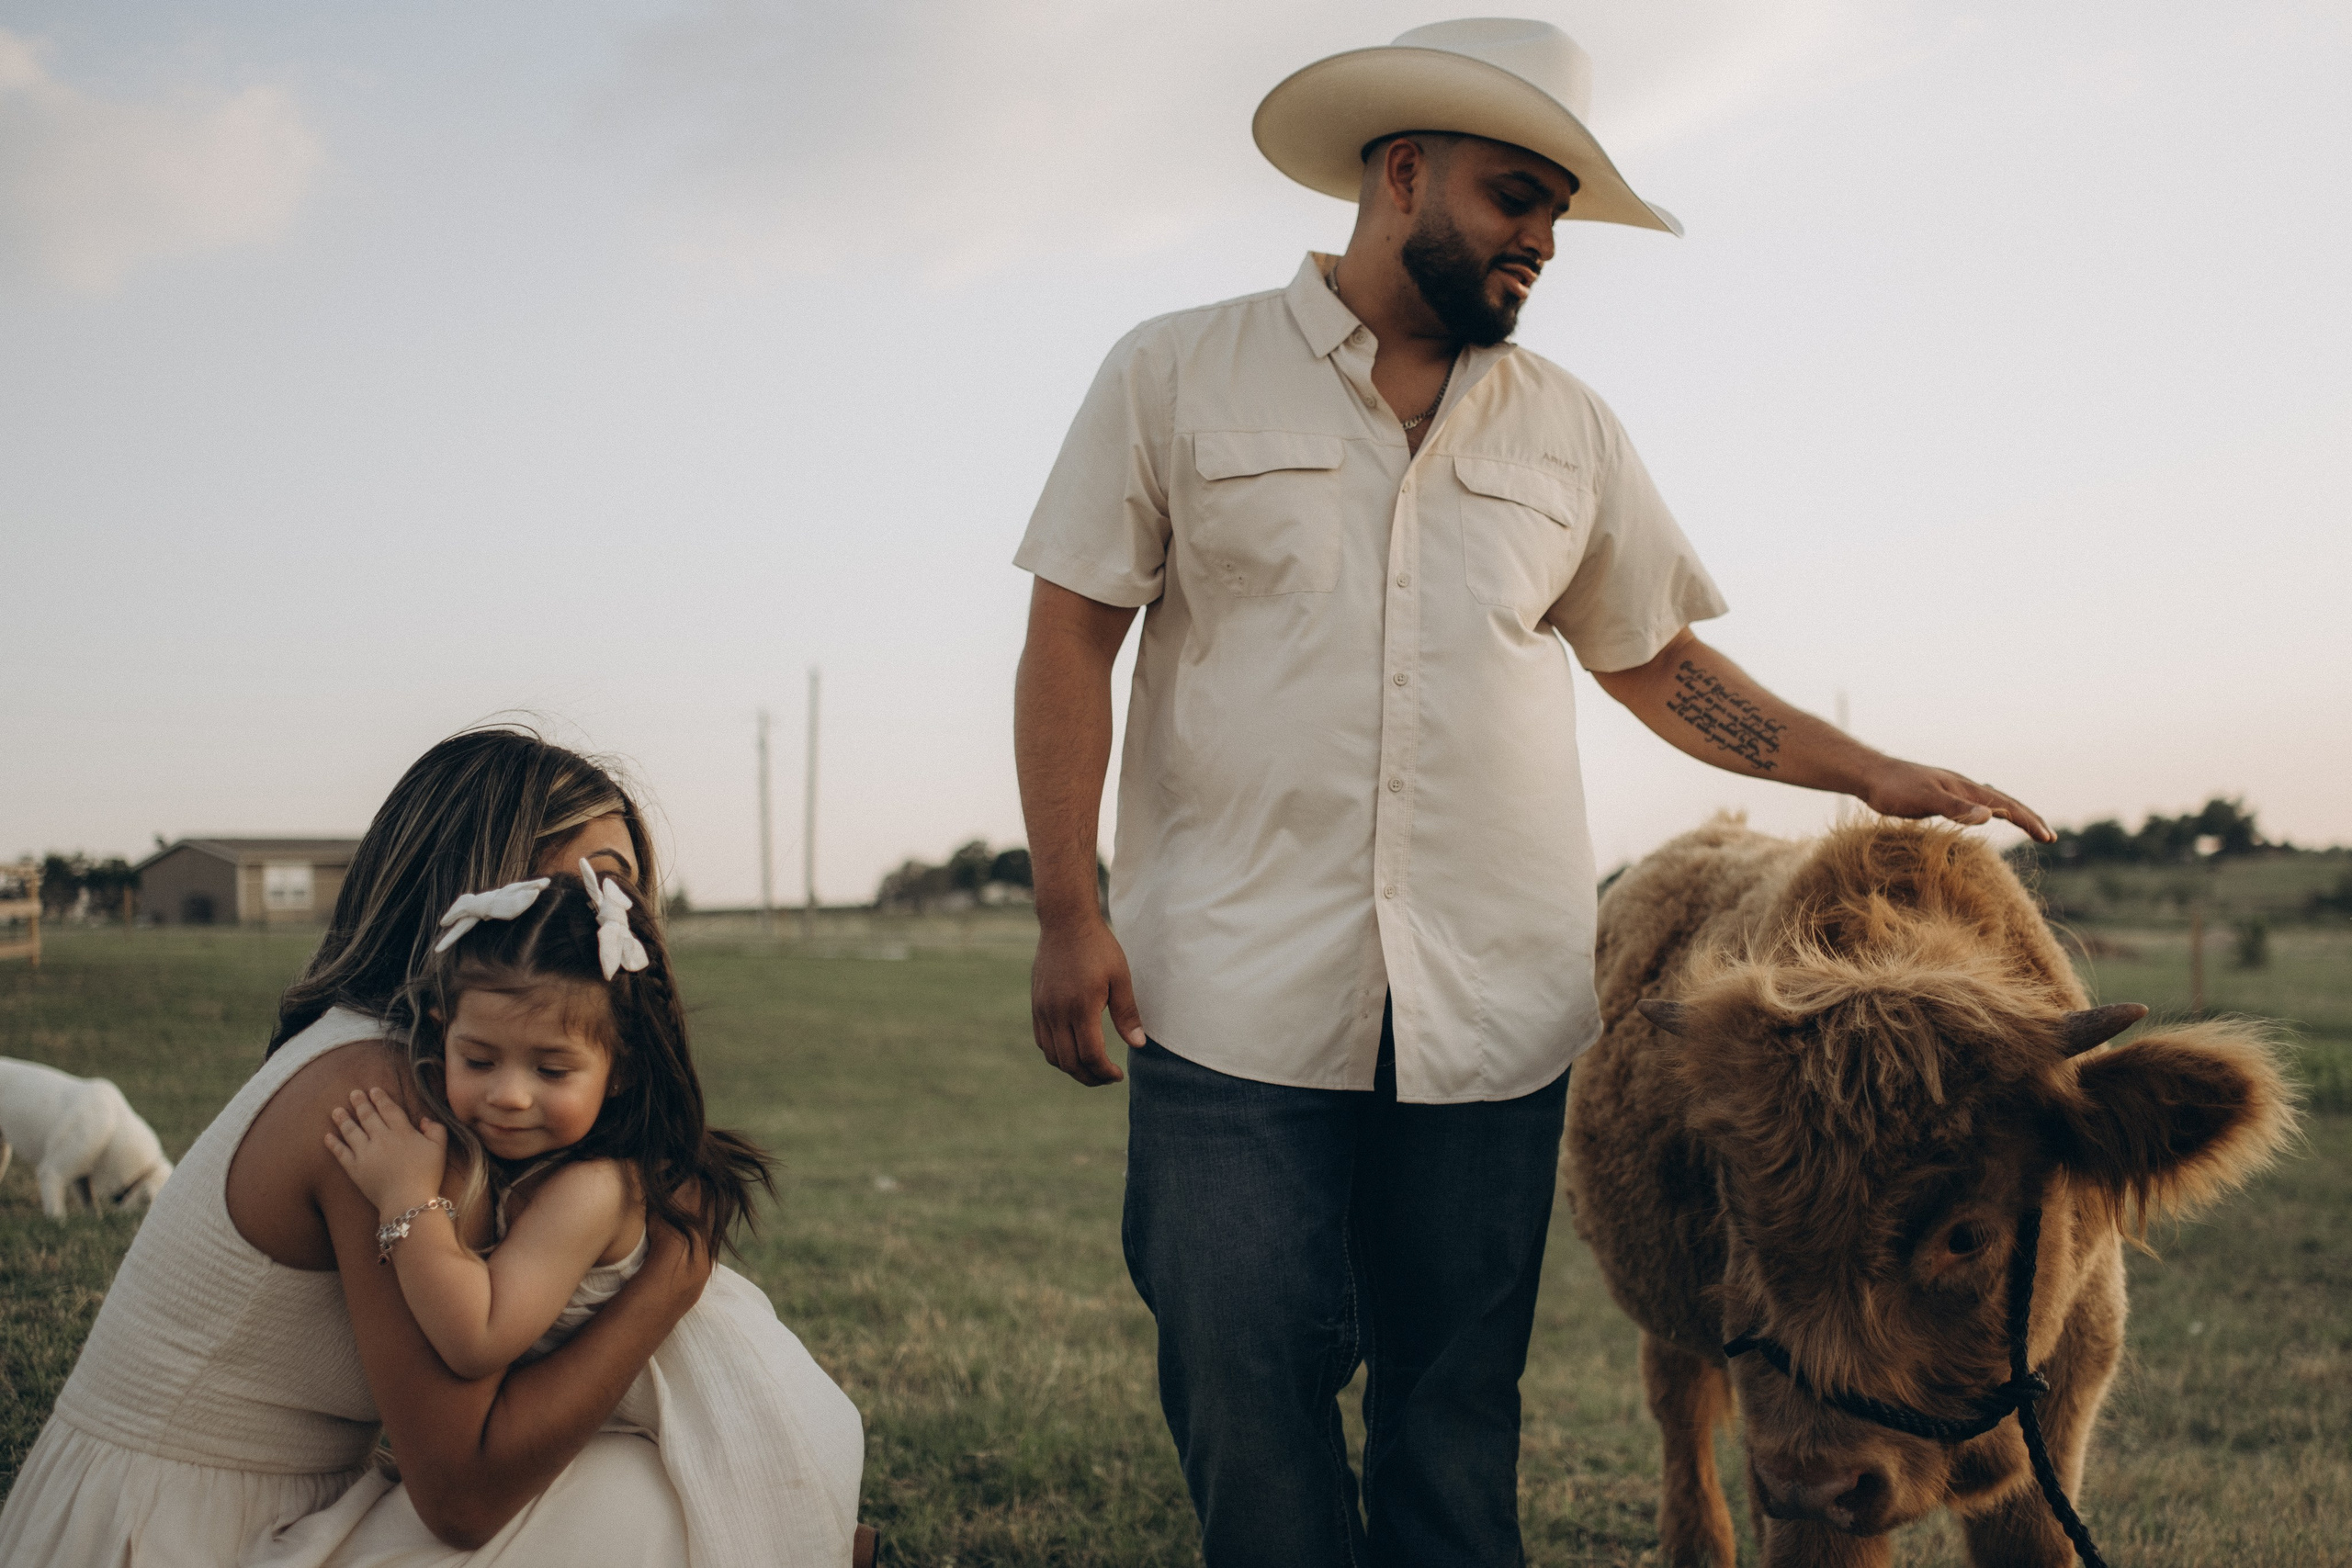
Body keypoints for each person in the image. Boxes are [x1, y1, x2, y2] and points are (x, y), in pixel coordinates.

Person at [1011, 18, 2056, 1568]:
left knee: (1454, 1401)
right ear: (1404, 171)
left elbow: (1655, 664)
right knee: (1241, 1375)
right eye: (1517, 198)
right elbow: (1071, 638)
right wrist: (1065, 908)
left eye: (1558, 211)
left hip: (1487, 1012)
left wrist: (1869, 772)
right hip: (1223, 992)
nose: (1543, 242)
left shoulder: (1566, 428)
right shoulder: (1174, 373)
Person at [0, 727, 865, 1566]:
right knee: (649, 1495)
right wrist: (669, 1280)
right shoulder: (391, 1095)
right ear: (473, 893)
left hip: (226, 1506)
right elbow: (464, 1494)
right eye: (581, 887)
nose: (604, 925)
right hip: (168, 1535)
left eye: (619, 895)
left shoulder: (420, 1064)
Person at [254, 859, 865, 1568]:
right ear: (442, 1031)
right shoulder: (546, 1159)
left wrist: (405, 1198)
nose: (510, 1095)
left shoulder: (591, 1189)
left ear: (621, 1068)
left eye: (551, 1069)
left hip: (734, 1417)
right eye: (479, 1059)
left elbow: (477, 1335)